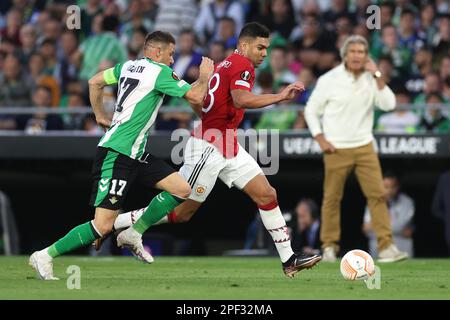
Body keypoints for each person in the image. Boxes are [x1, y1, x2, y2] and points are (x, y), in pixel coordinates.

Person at [108, 22, 322, 278]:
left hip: (226, 143)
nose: (264, 53)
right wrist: (281, 96)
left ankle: (289, 259)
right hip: (208, 147)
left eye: (266, 48)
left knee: (266, 195)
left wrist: (214, 122)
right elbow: (241, 99)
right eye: (260, 47)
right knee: (181, 212)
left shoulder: (225, 65)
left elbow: (201, 104)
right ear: (244, 46)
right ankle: (114, 223)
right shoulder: (242, 66)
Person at [28, 31, 215, 280]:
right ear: (157, 52)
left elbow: (94, 81)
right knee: (103, 225)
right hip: (117, 153)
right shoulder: (159, 72)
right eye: (170, 54)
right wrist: (204, 77)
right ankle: (45, 255)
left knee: (181, 189)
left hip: (134, 152)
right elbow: (195, 96)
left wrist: (98, 115)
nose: (172, 60)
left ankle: (134, 232)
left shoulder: (127, 66)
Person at [304, 35, 409, 263]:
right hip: (335, 147)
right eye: (353, 51)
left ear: (366, 56)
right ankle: (329, 247)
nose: (357, 56)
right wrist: (320, 137)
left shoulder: (372, 78)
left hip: (364, 145)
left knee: (378, 195)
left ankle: (386, 247)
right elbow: (311, 110)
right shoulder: (329, 79)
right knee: (332, 198)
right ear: (344, 55)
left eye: (362, 52)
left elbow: (389, 104)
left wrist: (378, 74)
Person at [363, 172, 415, 258]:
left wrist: (378, 224)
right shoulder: (373, 202)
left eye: (393, 187)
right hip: (377, 247)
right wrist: (397, 228)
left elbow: (401, 226)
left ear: (398, 186)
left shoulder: (407, 201)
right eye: (386, 187)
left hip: (402, 247)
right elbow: (366, 229)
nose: (389, 190)